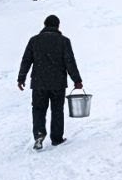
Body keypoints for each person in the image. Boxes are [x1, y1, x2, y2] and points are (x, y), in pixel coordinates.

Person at [18, 15, 84, 150]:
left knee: (38, 109)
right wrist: (77, 80)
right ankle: (57, 138)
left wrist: (21, 78)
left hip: (39, 83)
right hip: (57, 83)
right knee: (57, 110)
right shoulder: (63, 41)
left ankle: (39, 134)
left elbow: (26, 60)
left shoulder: (34, 41)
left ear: (45, 24)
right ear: (58, 26)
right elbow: (69, 62)